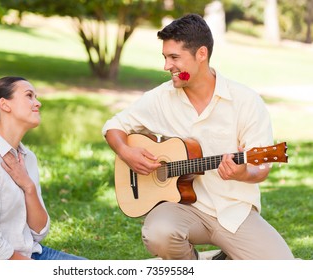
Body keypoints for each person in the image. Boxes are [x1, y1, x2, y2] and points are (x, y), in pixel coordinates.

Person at [102, 14, 294, 260]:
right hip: (182, 209)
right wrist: (126, 152)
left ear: (201, 54)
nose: (166, 66)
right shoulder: (161, 98)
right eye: (165, 57)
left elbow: (262, 167)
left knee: (285, 269)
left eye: (174, 58)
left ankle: (215, 260)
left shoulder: (245, 101)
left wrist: (243, 173)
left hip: (233, 212)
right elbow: (113, 127)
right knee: (158, 232)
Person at [0, 76, 85, 260]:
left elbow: (39, 231)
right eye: (29, 96)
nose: (38, 103)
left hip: (30, 253)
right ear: (5, 105)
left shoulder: (28, 158)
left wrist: (28, 186)